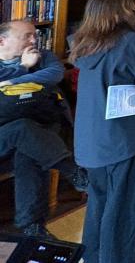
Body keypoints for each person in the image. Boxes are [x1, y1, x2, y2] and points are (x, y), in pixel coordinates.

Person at [70, 0, 135, 263]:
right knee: (126, 214)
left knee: (101, 207)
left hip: (93, 141)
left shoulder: (86, 41)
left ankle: (94, 258)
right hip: (126, 141)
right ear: (128, 7)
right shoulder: (129, 42)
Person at [0, 20, 87, 238]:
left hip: (41, 129)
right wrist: (23, 67)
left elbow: (54, 75)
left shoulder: (44, 56)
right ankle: (73, 171)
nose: (34, 40)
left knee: (29, 151)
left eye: (35, 35)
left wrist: (9, 83)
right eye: (26, 36)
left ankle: (32, 228)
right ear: (2, 41)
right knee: (22, 130)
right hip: (5, 135)